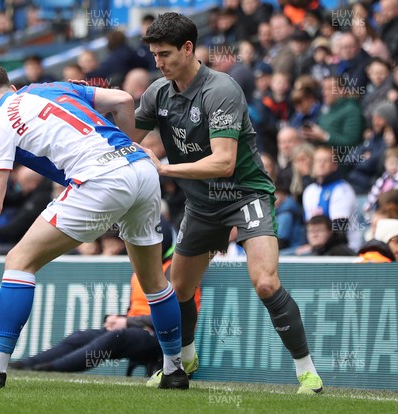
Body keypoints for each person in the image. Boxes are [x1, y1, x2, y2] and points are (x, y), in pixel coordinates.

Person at [0, 63, 187, 389]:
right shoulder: (51, 87)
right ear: (11, 87)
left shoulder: (0, 123)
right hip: (140, 168)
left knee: (18, 262)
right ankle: (173, 370)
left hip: (99, 178)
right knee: (154, 281)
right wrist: (125, 144)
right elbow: (124, 99)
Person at [132, 12, 323, 394]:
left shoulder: (221, 89)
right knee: (177, 290)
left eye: (165, 54)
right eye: (154, 55)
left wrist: (164, 170)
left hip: (245, 195)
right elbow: (126, 137)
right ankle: (184, 360)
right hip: (201, 205)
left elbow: (224, 161)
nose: (159, 62)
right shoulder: (157, 92)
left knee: (266, 283)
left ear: (188, 49)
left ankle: (308, 373)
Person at [9, 218, 201, 374]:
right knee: (81, 336)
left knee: (116, 337)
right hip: (137, 329)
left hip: (162, 338)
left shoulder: (175, 273)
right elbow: (135, 309)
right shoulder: (142, 271)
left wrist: (126, 323)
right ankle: (27, 365)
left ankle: (52, 369)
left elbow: (176, 316)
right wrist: (117, 319)